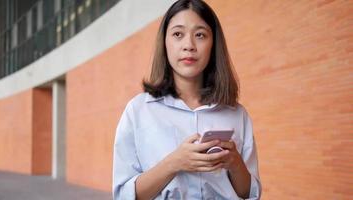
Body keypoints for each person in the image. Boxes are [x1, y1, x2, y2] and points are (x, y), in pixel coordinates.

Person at [112, 0, 261, 199]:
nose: (189, 46)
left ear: (213, 44)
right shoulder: (138, 111)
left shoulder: (236, 114)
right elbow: (123, 195)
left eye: (200, 35)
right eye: (177, 34)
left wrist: (235, 163)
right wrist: (174, 163)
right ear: (164, 43)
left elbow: (249, 194)